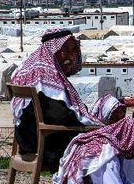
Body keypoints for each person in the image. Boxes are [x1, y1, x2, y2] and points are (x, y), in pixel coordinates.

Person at [11, 28, 100, 171]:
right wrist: (86, 124)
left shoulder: (31, 68)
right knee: (105, 149)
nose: (71, 57)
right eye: (65, 50)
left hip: (29, 140)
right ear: (52, 50)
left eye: (73, 50)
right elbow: (60, 115)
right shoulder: (44, 75)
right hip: (45, 144)